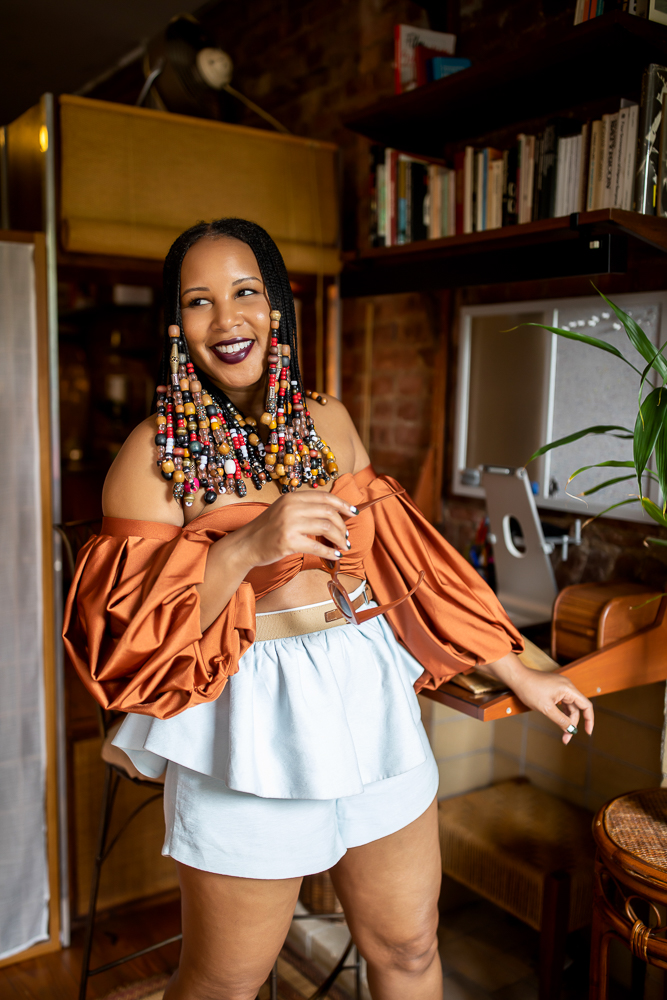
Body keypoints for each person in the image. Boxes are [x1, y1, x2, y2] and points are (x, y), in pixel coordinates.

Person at [64, 218, 594, 1000]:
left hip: (363, 689)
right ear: (177, 327)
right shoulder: (150, 458)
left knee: (410, 948)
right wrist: (248, 546)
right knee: (224, 982)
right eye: (200, 302)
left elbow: (402, 560)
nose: (227, 318)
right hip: (242, 714)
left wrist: (517, 671)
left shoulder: (329, 421)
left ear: (276, 309)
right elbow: (128, 636)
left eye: (245, 292)